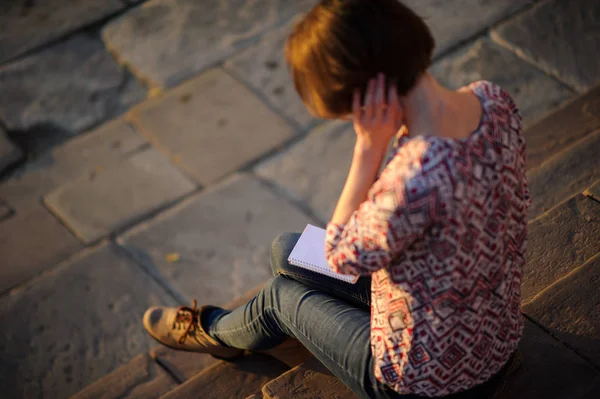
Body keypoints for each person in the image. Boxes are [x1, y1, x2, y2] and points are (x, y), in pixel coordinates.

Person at [142, 0, 530, 397]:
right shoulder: (491, 99)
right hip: (491, 329)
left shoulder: (413, 177)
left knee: (279, 297)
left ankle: (213, 331)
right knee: (287, 251)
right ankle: (293, 330)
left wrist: (367, 149)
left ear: (366, 97)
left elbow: (340, 257)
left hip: (429, 380)